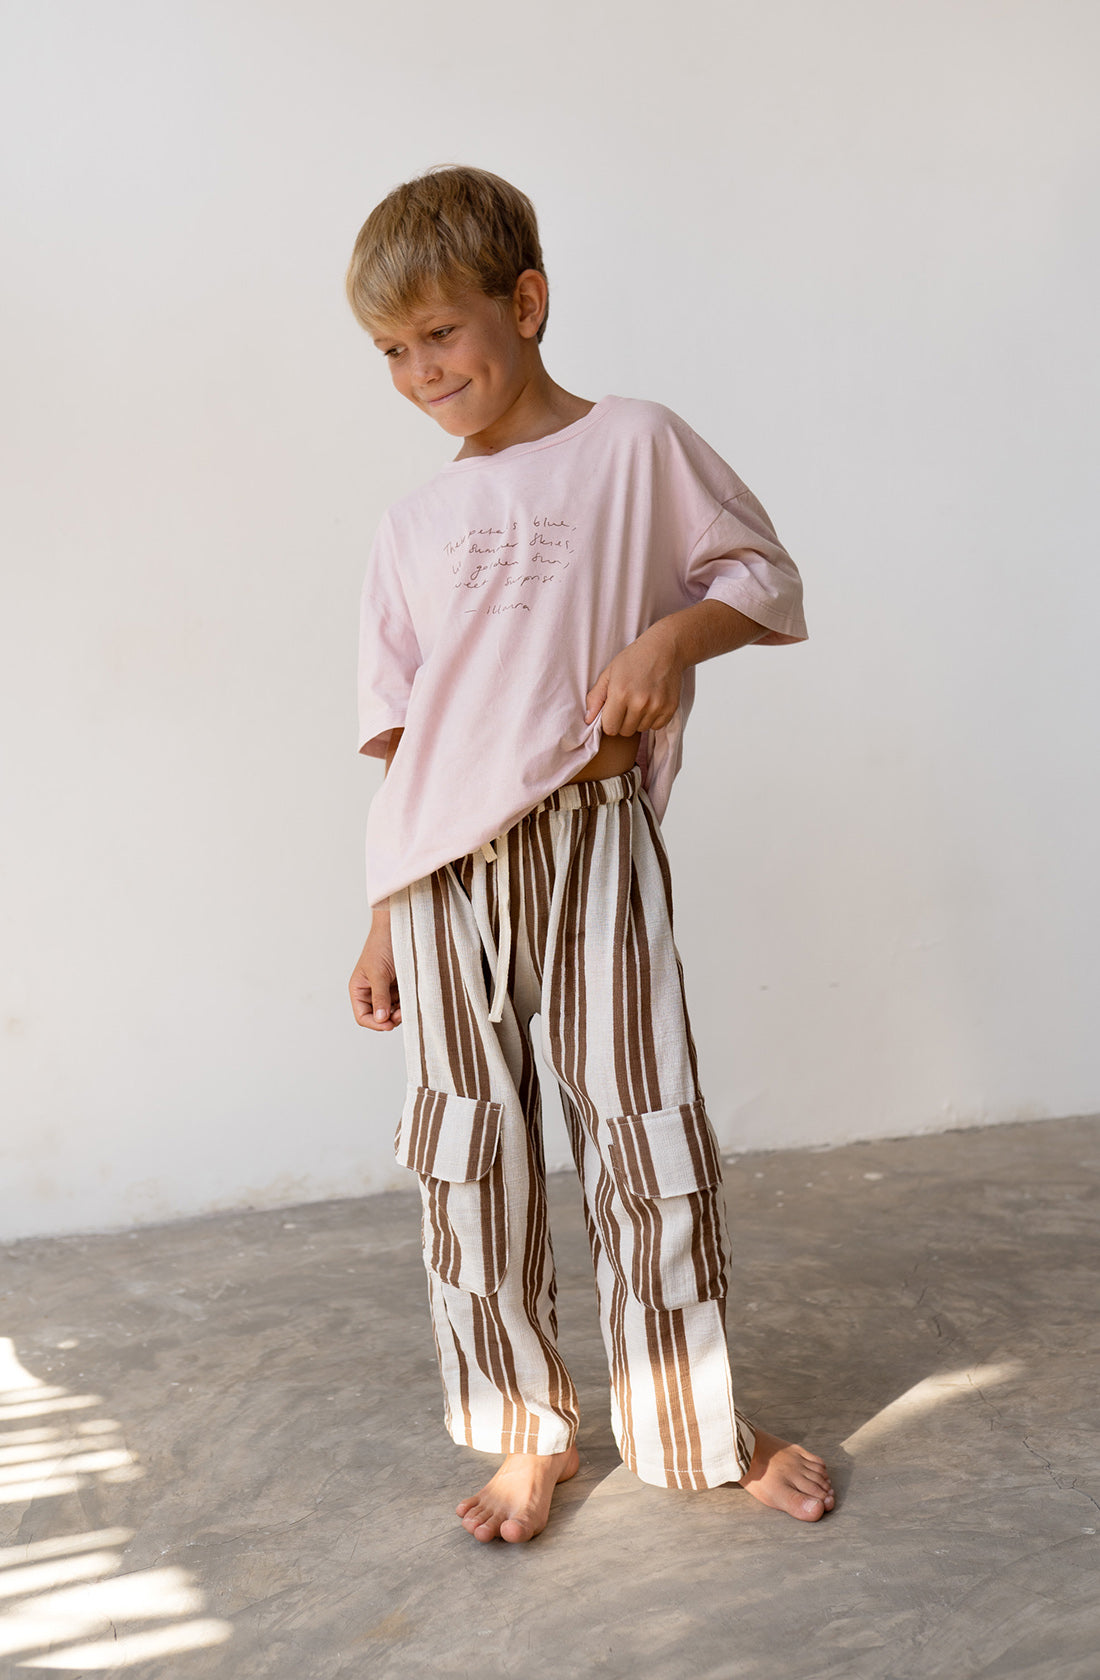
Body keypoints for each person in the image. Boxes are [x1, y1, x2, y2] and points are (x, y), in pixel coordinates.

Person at [346, 164, 834, 1543]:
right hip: (440, 882)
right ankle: (524, 1434)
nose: (421, 369)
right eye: (392, 350)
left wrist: (671, 641)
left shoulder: (634, 444)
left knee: (646, 1134)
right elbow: (400, 749)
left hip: (589, 842)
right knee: (465, 1153)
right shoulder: (410, 526)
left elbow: (762, 576)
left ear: (528, 301)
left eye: (442, 332)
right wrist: (383, 917)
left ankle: (692, 1423)